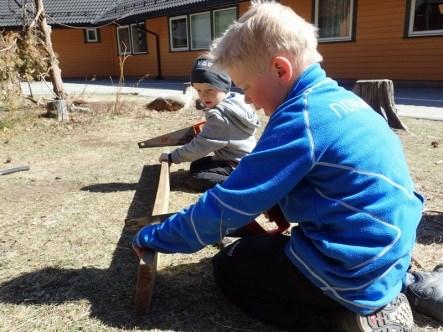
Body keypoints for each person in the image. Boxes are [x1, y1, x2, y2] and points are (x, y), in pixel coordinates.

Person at [134, 2, 442, 330]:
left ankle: (339, 319)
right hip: (389, 253)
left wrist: (156, 236)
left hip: (349, 268)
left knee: (229, 265)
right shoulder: (345, 101)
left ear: (280, 70)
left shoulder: (302, 120)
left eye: (247, 87)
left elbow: (228, 203)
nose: (248, 99)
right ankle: (393, 288)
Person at [159, 55, 259, 192]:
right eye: (199, 90)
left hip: (238, 166)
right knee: (197, 164)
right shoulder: (236, 101)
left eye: (209, 89)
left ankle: (243, 183)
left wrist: (172, 157)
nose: (203, 96)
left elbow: (200, 146)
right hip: (244, 160)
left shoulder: (220, 118)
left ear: (223, 86)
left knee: (197, 177)